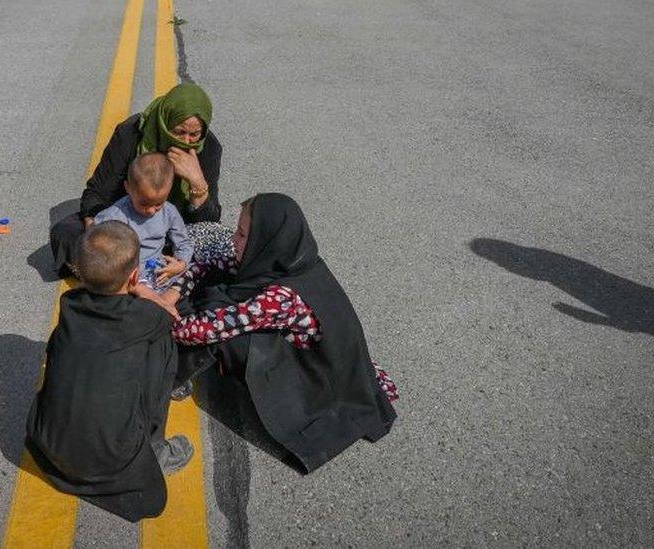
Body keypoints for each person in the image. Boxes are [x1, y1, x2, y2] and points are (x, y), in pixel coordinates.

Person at [162, 193, 399, 473]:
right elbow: (211, 266)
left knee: (222, 331)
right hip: (330, 360)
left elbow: (209, 329)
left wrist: (161, 322)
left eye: (241, 235)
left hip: (318, 382)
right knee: (216, 289)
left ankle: (168, 376)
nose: (233, 241)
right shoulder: (291, 260)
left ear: (266, 239)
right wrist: (176, 290)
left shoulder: (281, 298)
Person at [25, 221, 194, 522]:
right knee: (162, 346)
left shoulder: (70, 304)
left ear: (79, 270)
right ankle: (155, 447)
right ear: (134, 275)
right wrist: (151, 294)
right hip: (109, 460)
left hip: (48, 445)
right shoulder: (146, 317)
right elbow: (170, 316)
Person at [50, 83, 223, 276]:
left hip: (172, 228)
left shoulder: (209, 148)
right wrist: (97, 233)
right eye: (179, 131)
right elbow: (96, 193)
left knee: (218, 242)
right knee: (66, 233)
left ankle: (120, 272)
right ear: (164, 122)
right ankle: (126, 270)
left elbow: (209, 220)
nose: (186, 141)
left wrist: (197, 183)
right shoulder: (130, 133)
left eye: (194, 134)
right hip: (124, 223)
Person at [94, 152, 193, 299]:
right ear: (128, 188)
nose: (151, 211)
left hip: (161, 272)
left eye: (158, 204)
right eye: (144, 204)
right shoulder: (115, 216)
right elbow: (96, 246)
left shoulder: (169, 211)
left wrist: (180, 264)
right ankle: (158, 305)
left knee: (194, 271)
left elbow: (183, 243)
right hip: (130, 277)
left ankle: (164, 303)